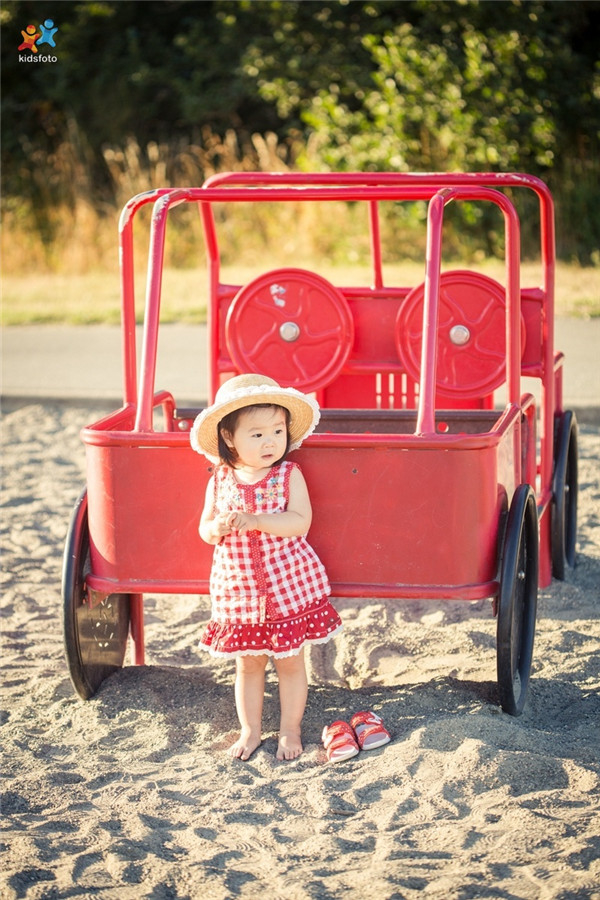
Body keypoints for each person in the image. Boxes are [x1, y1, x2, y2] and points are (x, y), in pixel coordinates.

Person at [190, 374, 342, 762]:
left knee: (290, 663)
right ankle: (251, 730)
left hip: (286, 584)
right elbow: (205, 529)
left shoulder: (287, 475)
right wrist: (217, 527)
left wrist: (257, 520)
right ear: (229, 438)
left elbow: (299, 522)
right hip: (239, 590)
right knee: (249, 664)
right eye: (257, 435)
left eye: (277, 431)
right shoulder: (220, 479)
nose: (271, 441)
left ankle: (290, 730)